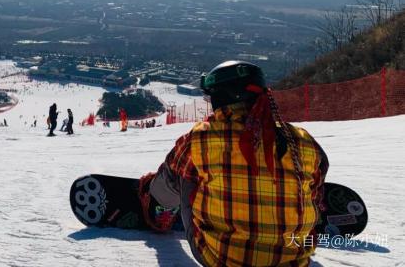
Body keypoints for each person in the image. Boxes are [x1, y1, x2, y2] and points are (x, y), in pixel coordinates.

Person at [140, 61, 329, 267]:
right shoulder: (303, 140)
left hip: (220, 260)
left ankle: (161, 211)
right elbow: (319, 178)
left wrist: (153, 188)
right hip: (296, 261)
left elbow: (172, 170)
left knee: (185, 174)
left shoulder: (201, 137)